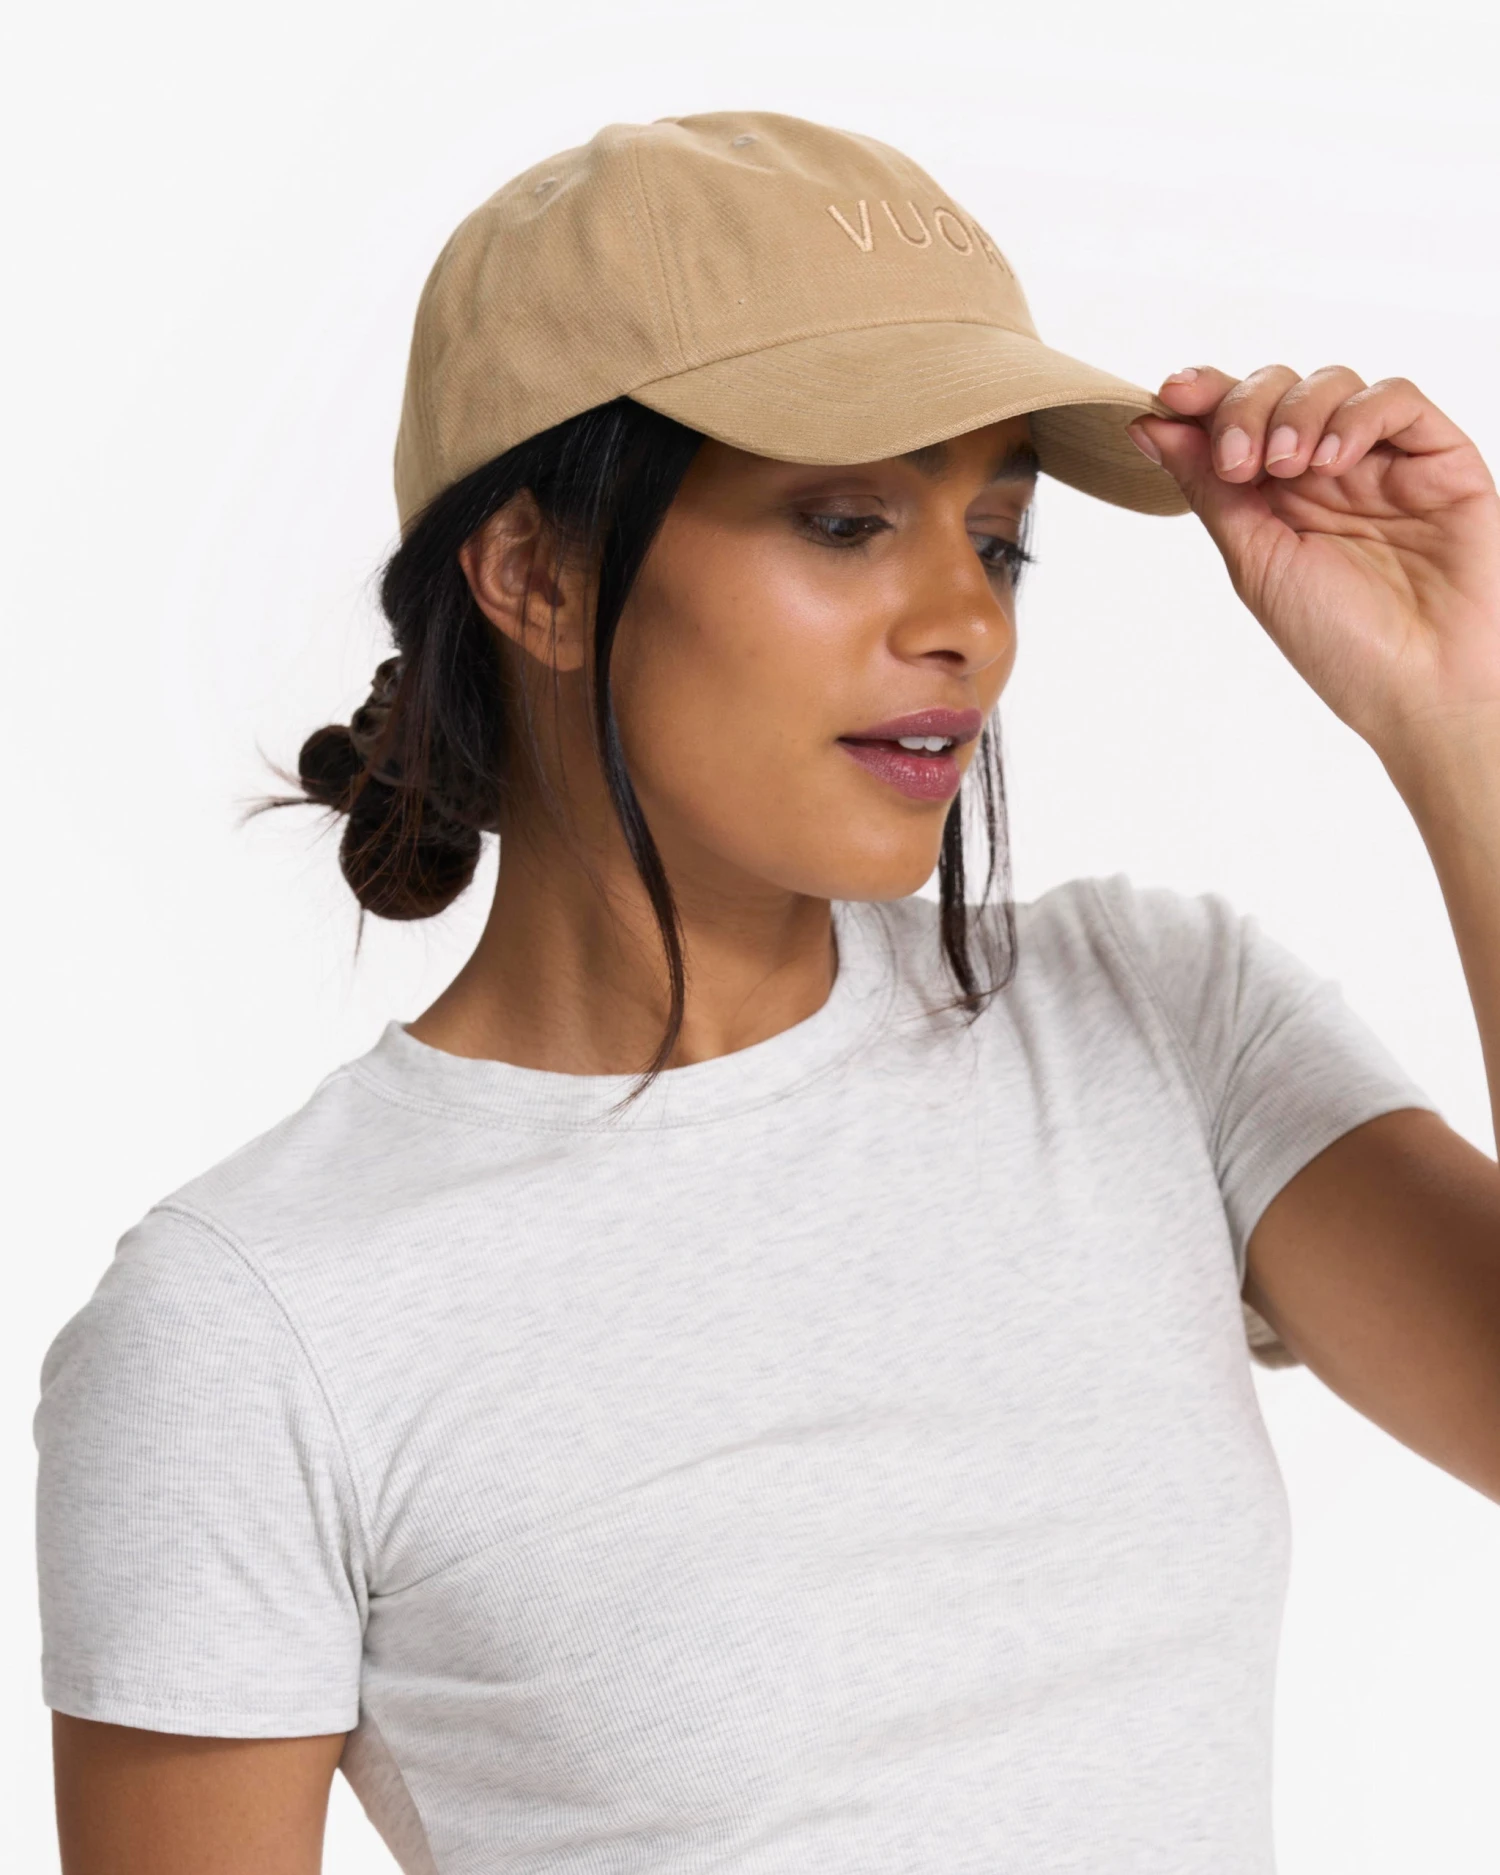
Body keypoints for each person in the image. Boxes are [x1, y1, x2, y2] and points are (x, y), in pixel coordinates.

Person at [34, 111, 1500, 1875]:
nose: (968, 620)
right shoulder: (245, 1324)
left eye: (998, 538)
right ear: (537, 574)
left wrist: (1459, 711)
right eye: (847, 519)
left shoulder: (1156, 1021)